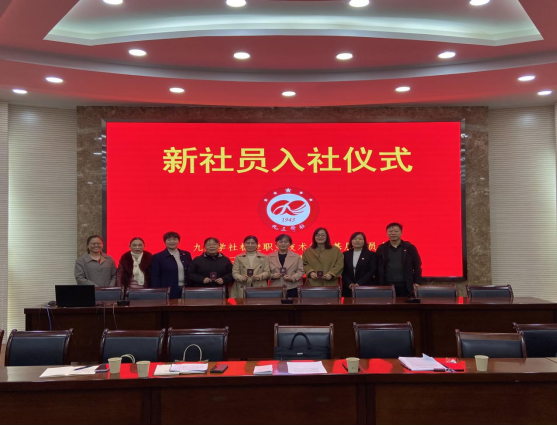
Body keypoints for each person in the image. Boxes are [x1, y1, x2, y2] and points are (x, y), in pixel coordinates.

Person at [376, 223, 422, 297]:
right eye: (390, 231)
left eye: (396, 231)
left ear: (401, 232)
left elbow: (417, 266)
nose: (393, 233)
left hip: (406, 284)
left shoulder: (410, 247)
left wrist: (417, 282)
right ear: (386, 233)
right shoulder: (381, 248)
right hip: (386, 284)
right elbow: (377, 266)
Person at [151, 231, 192, 299]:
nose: (172, 242)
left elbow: (191, 271)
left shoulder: (186, 254)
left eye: (174, 239)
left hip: (186, 288)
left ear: (178, 241)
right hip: (169, 289)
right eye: (169, 240)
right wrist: (157, 291)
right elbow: (155, 276)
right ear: (165, 241)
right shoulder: (158, 257)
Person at [342, 232, 376, 297]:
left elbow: (372, 270)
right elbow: (342, 271)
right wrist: (349, 283)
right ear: (351, 241)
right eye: (354, 239)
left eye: (360, 239)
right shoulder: (345, 254)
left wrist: (360, 283)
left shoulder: (371, 254)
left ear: (364, 241)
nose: (357, 241)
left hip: (365, 286)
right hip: (349, 287)